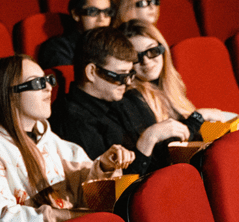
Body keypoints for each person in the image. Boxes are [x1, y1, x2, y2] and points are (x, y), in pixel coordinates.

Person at [0, 55, 133, 222]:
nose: (49, 88)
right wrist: (57, 217)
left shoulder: (46, 136)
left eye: (47, 80)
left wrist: (104, 167)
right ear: (10, 94)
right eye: (37, 83)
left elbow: (94, 198)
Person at [50, 27, 193, 174]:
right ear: (91, 72)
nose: (128, 82)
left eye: (130, 74)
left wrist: (196, 121)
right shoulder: (72, 120)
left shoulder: (122, 98)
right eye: (120, 76)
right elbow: (104, 191)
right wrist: (147, 140)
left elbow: (164, 153)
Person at [118, 19, 236, 123]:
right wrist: (199, 117)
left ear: (162, 49)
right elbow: (172, 144)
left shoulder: (171, 82)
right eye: (136, 57)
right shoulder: (133, 98)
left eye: (152, 51)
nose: (146, 62)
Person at [37, 0, 114, 69]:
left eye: (107, 12)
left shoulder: (112, 44)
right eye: (93, 11)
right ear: (76, 14)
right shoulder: (58, 48)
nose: (102, 18)